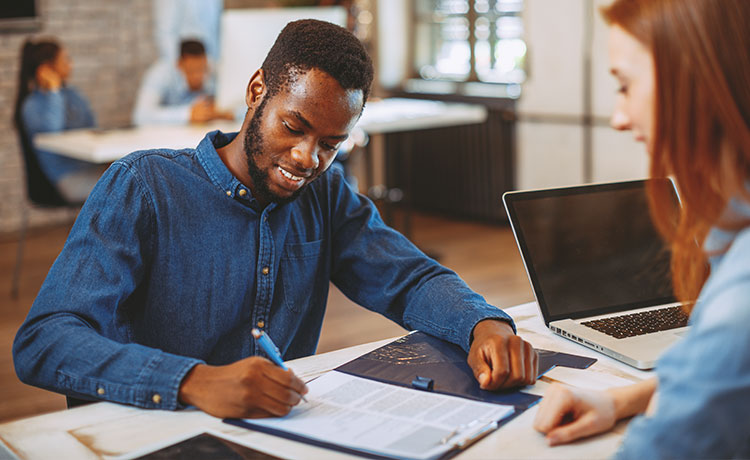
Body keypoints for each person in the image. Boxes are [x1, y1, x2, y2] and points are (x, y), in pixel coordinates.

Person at [13, 20, 538, 420]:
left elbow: (409, 277)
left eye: (330, 144)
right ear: (255, 90)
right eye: (294, 126)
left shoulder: (325, 192)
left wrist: (481, 322)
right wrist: (191, 381)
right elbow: (46, 339)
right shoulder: (144, 187)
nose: (309, 158)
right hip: (156, 430)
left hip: (272, 433)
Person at [533, 0, 750, 457]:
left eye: (625, 86)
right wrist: (625, 398)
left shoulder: (740, 306)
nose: (619, 117)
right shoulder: (730, 233)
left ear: (696, 85)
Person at [13, 39, 105, 203]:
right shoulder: (31, 106)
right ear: (46, 68)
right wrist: (53, 91)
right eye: (65, 59)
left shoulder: (73, 94)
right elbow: (52, 133)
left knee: (135, 177)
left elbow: (92, 127)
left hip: (90, 168)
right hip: (66, 177)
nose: (71, 64)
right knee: (126, 187)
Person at [131, 39, 233, 126]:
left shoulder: (214, 70)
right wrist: (187, 114)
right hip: (167, 139)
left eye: (202, 70)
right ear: (179, 65)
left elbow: (239, 106)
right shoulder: (161, 74)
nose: (198, 77)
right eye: (192, 71)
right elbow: (141, 116)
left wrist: (223, 113)